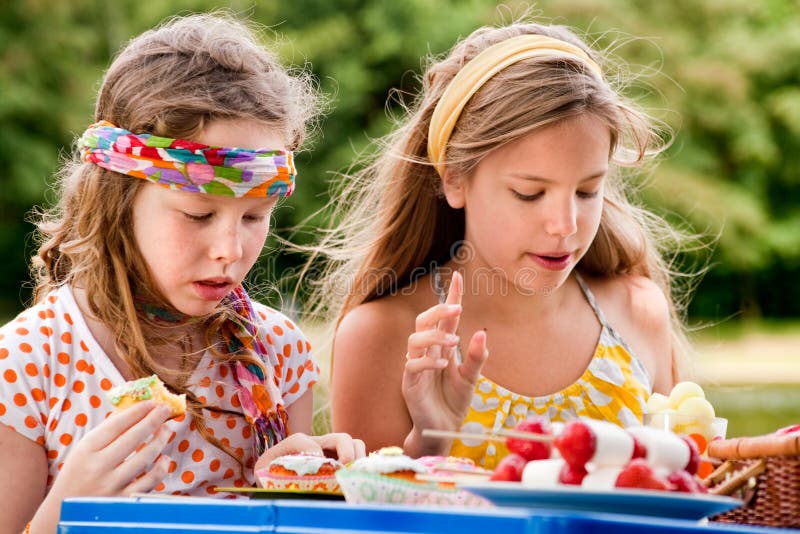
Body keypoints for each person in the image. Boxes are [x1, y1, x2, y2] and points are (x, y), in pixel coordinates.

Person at [0, 14, 364, 534]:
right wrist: (67, 506)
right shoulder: (27, 364)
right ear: (117, 200)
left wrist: (311, 489)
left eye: (255, 217)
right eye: (198, 214)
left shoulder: (278, 354)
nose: (229, 250)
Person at [311, 20, 696, 468]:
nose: (564, 225)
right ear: (454, 179)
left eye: (588, 191)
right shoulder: (382, 336)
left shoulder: (637, 312)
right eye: (529, 193)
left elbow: (678, 489)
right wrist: (428, 444)